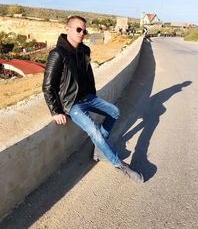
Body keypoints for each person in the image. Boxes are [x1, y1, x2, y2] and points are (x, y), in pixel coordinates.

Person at [42, 16, 144, 184]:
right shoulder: (57, 54)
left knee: (114, 111)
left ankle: (99, 149)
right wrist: (55, 111)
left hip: (87, 97)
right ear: (68, 29)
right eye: (78, 29)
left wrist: (93, 95)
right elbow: (47, 86)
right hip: (72, 103)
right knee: (95, 131)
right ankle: (120, 165)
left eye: (84, 30)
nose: (82, 33)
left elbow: (87, 76)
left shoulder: (84, 50)